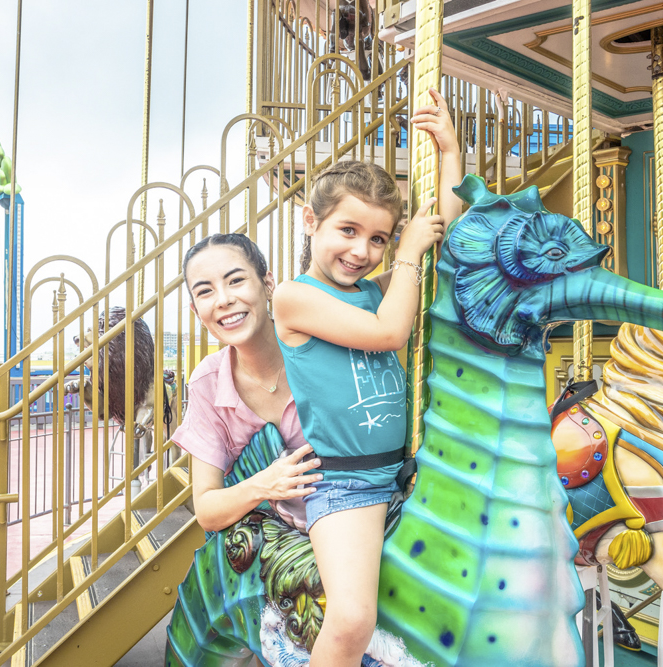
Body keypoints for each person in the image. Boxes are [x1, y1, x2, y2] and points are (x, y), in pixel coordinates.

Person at [272, 88, 461, 667]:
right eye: (348, 231)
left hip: (405, 471)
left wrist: (449, 150)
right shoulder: (294, 297)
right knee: (353, 617)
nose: (363, 250)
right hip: (347, 484)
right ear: (311, 222)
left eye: (378, 238)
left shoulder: (378, 290)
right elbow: (388, 334)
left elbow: (443, 229)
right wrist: (405, 255)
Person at [174, 232, 320, 534]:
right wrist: (264, 484)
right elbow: (207, 510)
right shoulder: (207, 382)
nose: (224, 300)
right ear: (196, 311)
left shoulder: (320, 348)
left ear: (268, 285)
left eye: (236, 280)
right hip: (274, 543)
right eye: (205, 291)